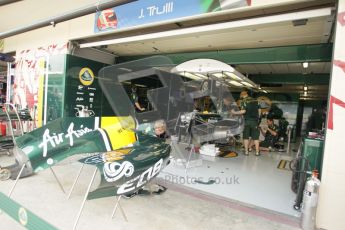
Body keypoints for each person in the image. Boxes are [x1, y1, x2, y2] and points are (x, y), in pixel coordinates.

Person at [231, 90, 261, 156]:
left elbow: (243, 111)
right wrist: (257, 119)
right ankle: (257, 152)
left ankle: (246, 151)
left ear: (243, 94)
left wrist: (234, 112)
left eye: (241, 95)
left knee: (246, 137)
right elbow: (259, 111)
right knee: (256, 138)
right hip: (255, 122)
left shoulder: (244, 101)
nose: (240, 97)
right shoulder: (256, 100)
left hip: (246, 121)